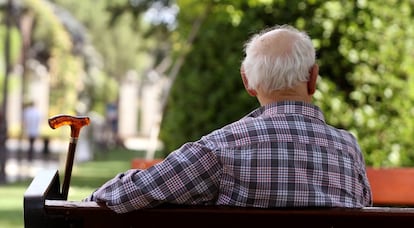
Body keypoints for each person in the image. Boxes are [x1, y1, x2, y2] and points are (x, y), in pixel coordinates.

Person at [83, 25, 373, 213]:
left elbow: (127, 194)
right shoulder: (348, 149)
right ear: (313, 78)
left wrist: (85, 199)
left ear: (248, 83)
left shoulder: (221, 148)